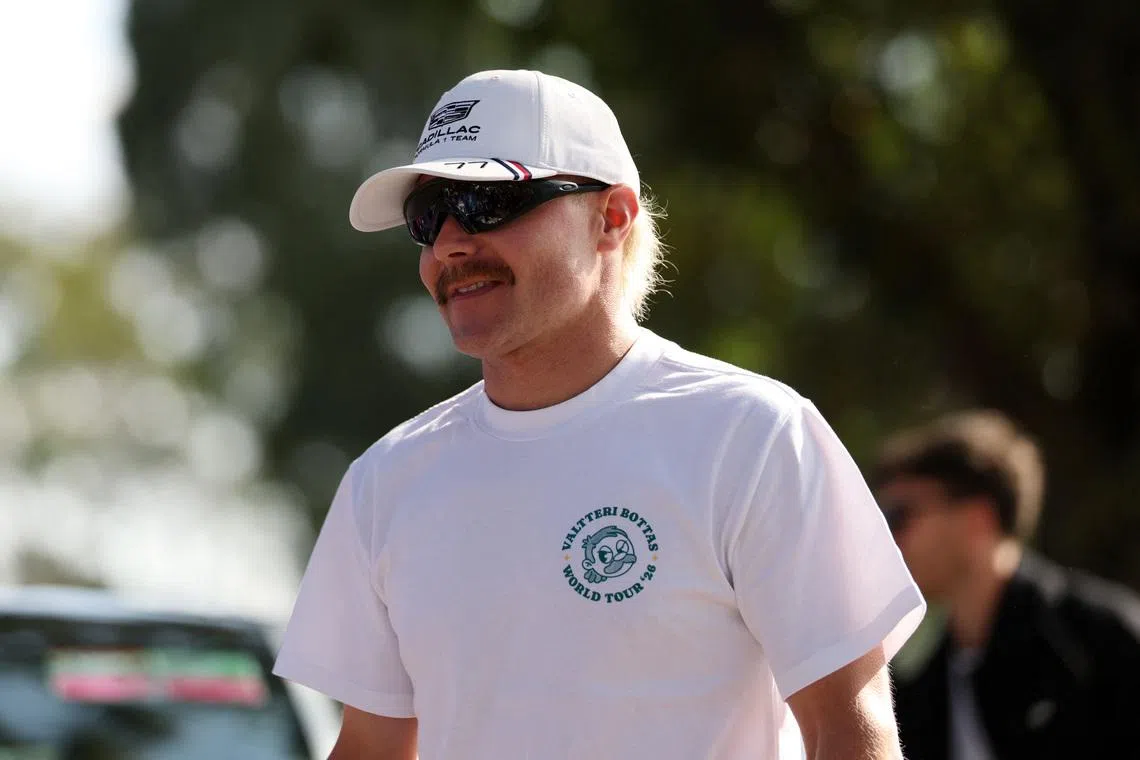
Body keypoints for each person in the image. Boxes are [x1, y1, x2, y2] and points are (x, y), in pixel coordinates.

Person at [272, 68, 925, 760]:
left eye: (488, 202)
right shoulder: (387, 481)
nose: (451, 245)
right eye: (429, 216)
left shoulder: (753, 437)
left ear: (611, 218)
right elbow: (372, 749)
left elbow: (850, 731)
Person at [870, 409, 1140, 760]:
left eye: (898, 515)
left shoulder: (1103, 641)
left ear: (978, 517)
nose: (887, 539)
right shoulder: (923, 690)